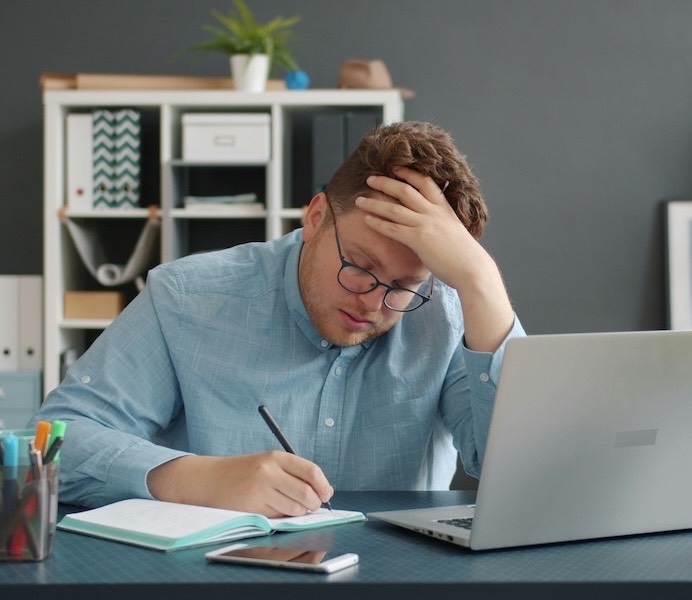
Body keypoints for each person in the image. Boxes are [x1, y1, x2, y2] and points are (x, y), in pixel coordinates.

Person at [32, 121, 525, 517]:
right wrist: (195, 478)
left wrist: (481, 280)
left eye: (403, 287)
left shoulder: (448, 308)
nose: (373, 304)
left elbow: (520, 467)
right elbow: (55, 441)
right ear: (315, 218)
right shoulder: (187, 298)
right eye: (360, 267)